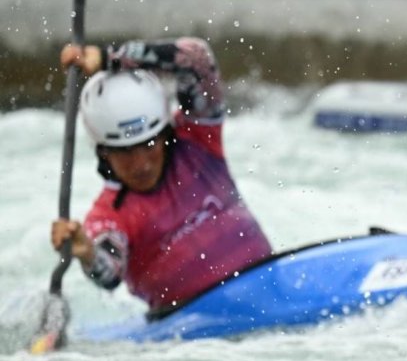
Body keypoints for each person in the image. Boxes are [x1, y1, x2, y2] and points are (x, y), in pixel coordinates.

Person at [50, 37, 272, 313]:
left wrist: (111, 58)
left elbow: (196, 58)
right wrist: (88, 254)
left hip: (269, 286)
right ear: (104, 153)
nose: (141, 163)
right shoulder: (109, 215)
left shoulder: (197, 141)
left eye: (149, 145)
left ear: (165, 134)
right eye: (125, 152)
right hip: (191, 329)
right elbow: (110, 270)